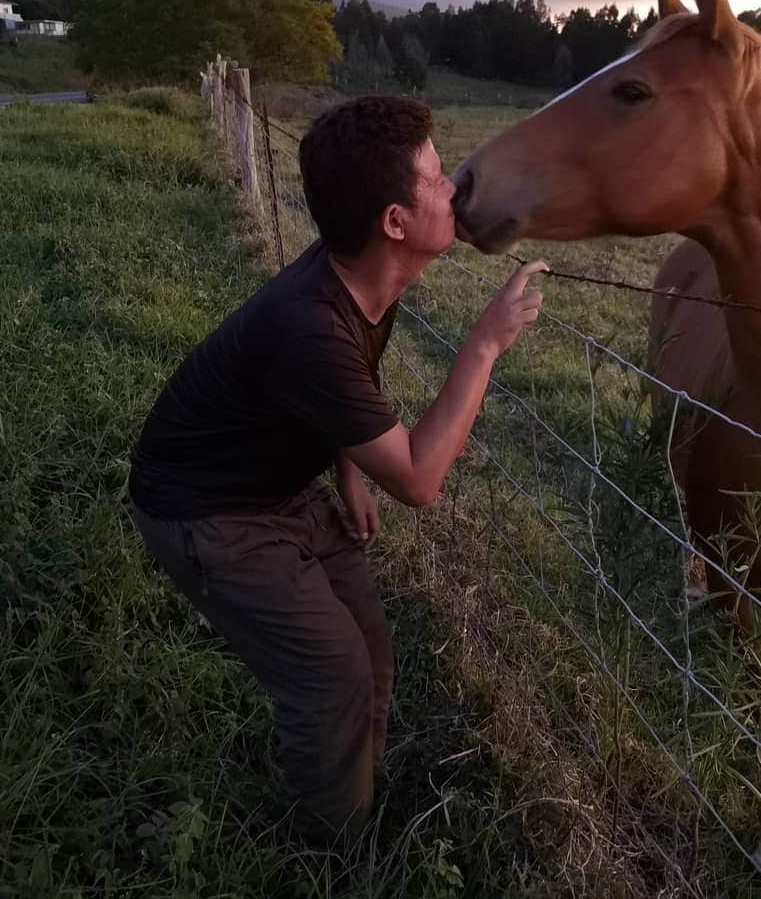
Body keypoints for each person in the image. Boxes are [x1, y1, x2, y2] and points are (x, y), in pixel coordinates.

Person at [128, 95, 546, 841]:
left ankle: (357, 792)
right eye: (434, 176)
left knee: (369, 648)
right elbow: (419, 480)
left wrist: (349, 473)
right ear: (393, 223)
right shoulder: (311, 325)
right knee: (332, 676)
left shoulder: (359, 274)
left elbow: (345, 389)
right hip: (205, 513)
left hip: (273, 486)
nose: (454, 185)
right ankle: (334, 849)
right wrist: (483, 344)